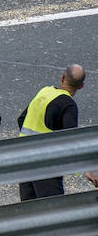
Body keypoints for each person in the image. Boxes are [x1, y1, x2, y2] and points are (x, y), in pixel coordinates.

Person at [17, 65, 87, 200]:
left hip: (24, 159)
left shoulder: (44, 92)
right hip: (46, 166)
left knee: (27, 212)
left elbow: (21, 119)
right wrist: (84, 169)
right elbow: (70, 141)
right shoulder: (68, 105)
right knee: (51, 210)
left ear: (62, 77)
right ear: (81, 86)